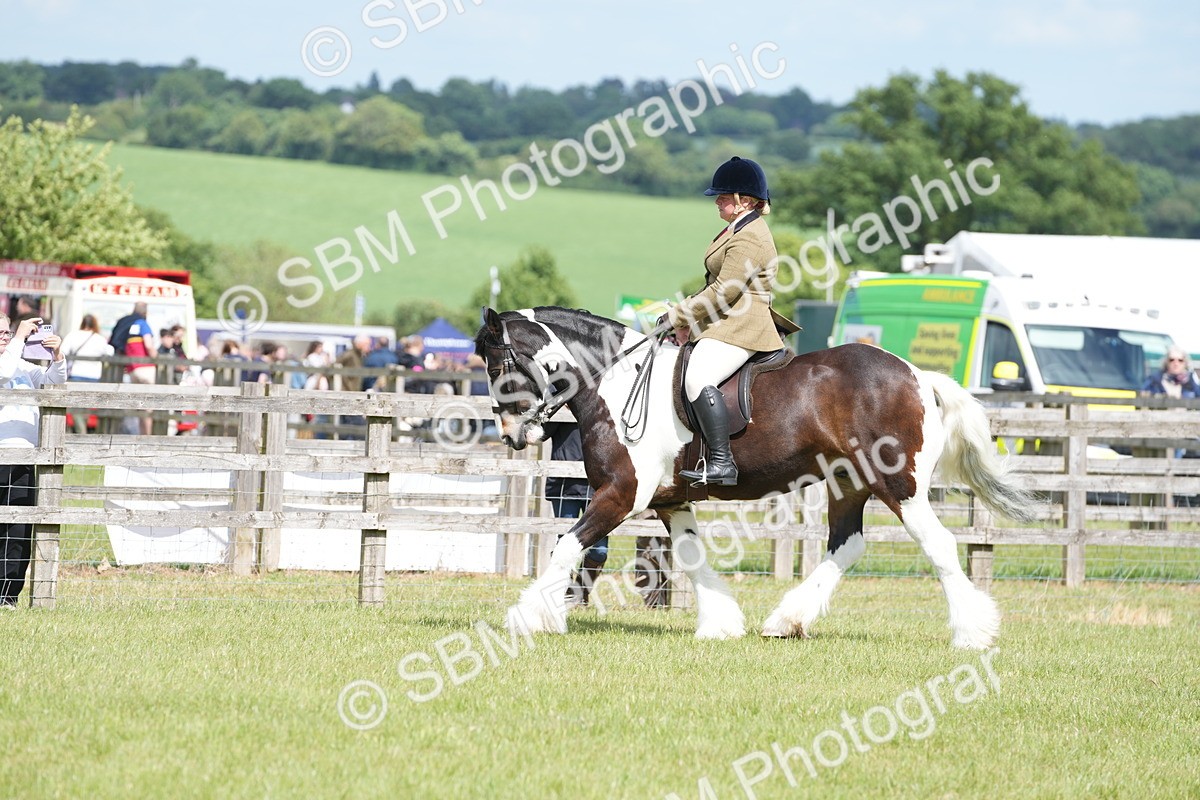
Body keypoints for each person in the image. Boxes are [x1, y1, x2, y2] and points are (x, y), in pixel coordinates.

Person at [664, 156, 800, 486]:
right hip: (725, 323)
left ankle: (722, 463)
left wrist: (678, 315)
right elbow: (714, 283)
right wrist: (685, 321)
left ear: (746, 201)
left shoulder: (750, 237)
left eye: (724, 197)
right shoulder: (736, 229)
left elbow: (724, 291)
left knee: (697, 377)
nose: (718, 203)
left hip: (743, 327)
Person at [1, 313, 66, 608]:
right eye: (0, 333)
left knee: (19, 531)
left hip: (24, 457)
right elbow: (3, 373)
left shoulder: (23, 366)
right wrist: (18, 338)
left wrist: (57, 355)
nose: (5, 336)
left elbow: (54, 382)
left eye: (7, 332)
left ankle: (8, 595)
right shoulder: (9, 361)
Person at [543, 421, 605, 607]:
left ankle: (578, 593)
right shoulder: (559, 401)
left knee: (599, 551)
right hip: (563, 484)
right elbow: (542, 432)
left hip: (599, 489)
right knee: (564, 546)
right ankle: (564, 596)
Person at [59, 314, 114, 434]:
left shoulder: (73, 335)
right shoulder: (99, 338)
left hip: (76, 375)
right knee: (89, 406)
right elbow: (110, 351)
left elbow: (63, 351)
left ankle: (80, 431)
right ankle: (84, 431)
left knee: (76, 406)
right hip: (94, 377)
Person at [110, 302, 157, 435]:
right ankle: (147, 437)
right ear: (145, 313)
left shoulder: (128, 325)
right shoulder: (142, 323)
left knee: (140, 405)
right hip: (146, 368)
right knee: (148, 407)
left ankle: (140, 435)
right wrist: (156, 357)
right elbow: (148, 345)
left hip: (133, 370)